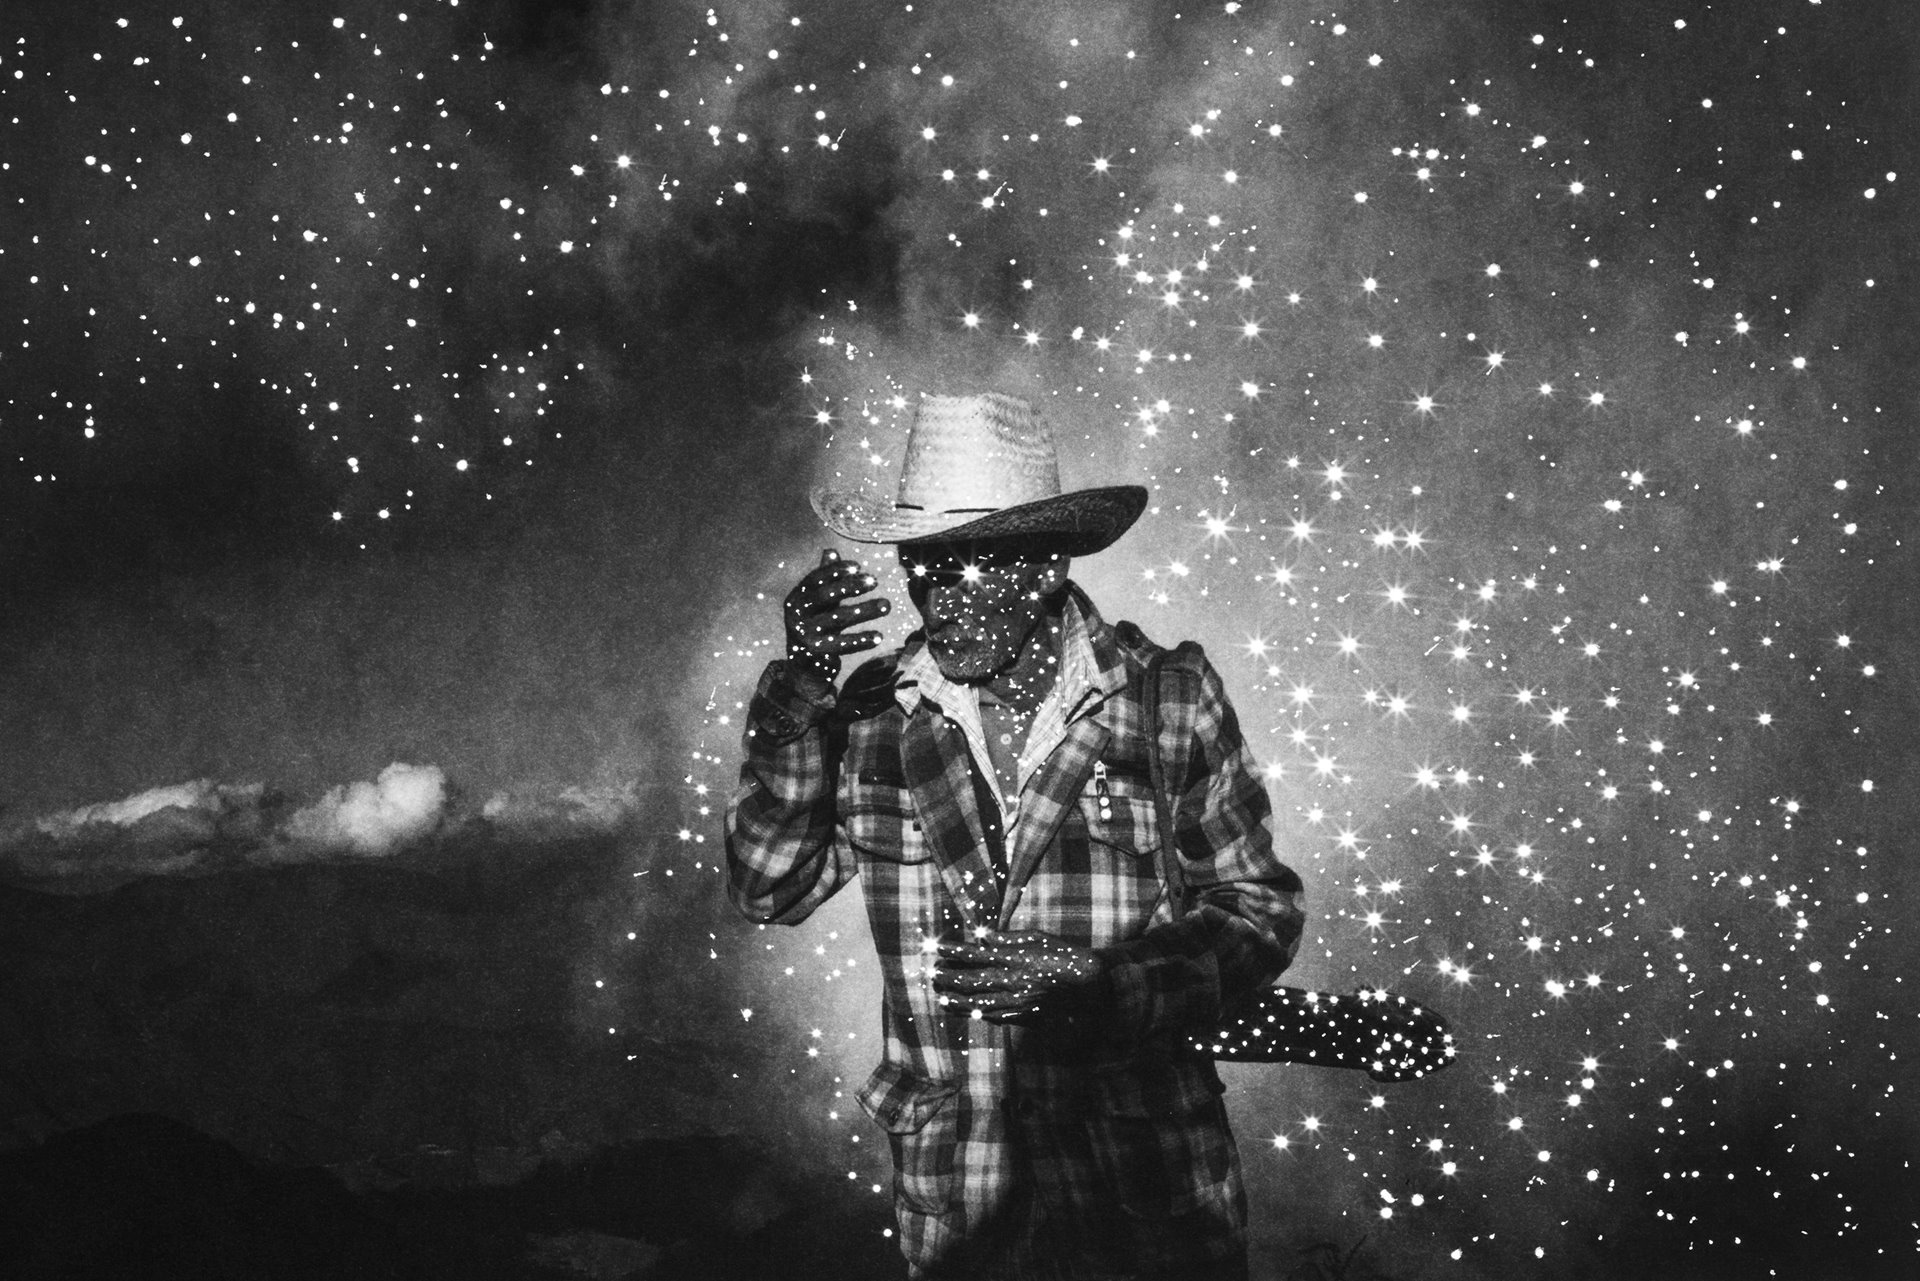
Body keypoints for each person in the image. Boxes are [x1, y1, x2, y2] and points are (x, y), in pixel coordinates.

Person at [725, 392, 1306, 1280]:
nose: (934, 597)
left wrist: (1103, 983)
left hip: (1146, 1198)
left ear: (1043, 565)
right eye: (923, 566)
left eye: (967, 566)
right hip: (964, 1204)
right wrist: (801, 690)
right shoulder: (875, 715)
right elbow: (769, 887)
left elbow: (1258, 911)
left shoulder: (1167, 699)